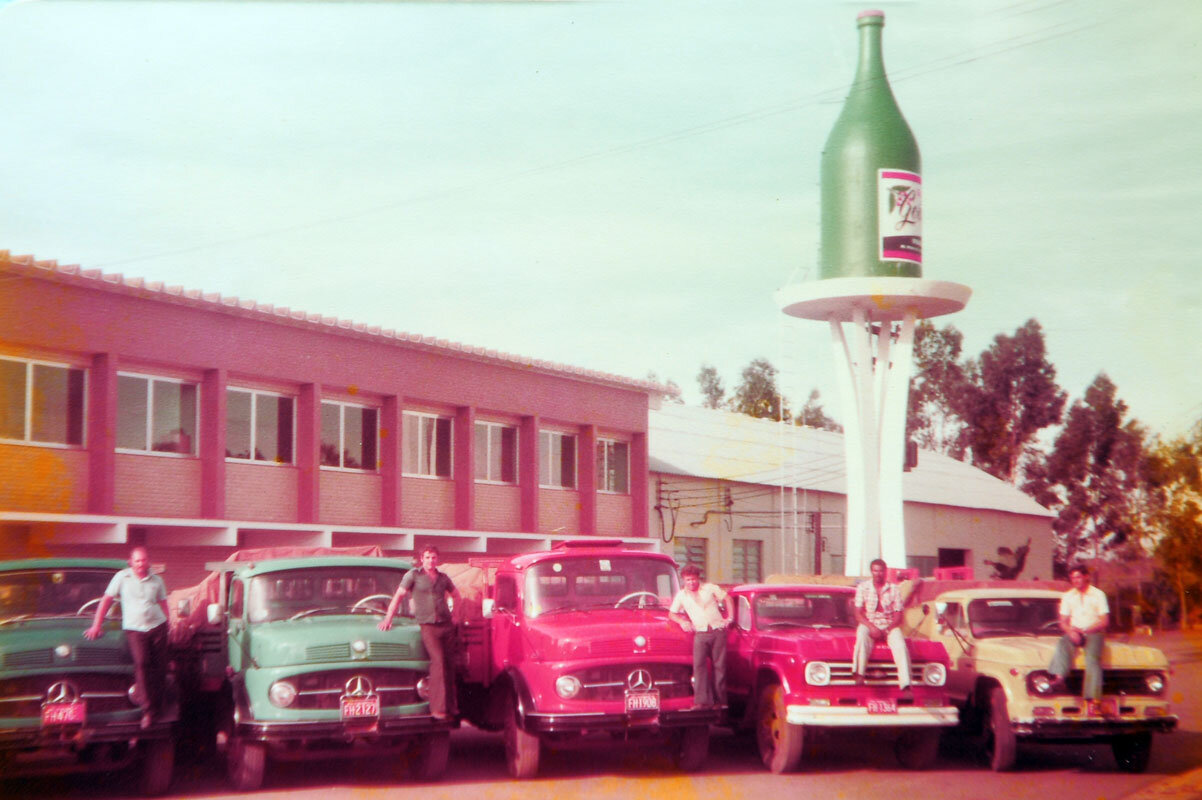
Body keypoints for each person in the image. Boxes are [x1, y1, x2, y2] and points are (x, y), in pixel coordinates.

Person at [84, 546, 170, 729]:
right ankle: (147, 711)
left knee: (159, 668)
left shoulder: (157, 580)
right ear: (131, 562)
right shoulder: (122, 577)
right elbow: (106, 600)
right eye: (138, 561)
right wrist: (96, 625)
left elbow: (164, 604)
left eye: (144, 560)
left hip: (158, 627)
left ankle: (159, 707)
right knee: (142, 664)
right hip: (135, 629)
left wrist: (170, 624)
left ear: (148, 562)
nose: (141, 564)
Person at [378, 545, 461, 720]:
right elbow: (398, 596)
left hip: (446, 625)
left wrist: (456, 615)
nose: (431, 560)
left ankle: (451, 707)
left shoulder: (443, 578)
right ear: (421, 559)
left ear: (438, 559)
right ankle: (438, 708)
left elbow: (456, 595)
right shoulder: (413, 576)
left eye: (434, 557)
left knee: (449, 665)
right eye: (428, 557)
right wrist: (388, 618)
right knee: (437, 662)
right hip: (428, 626)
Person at [1048, 564, 1110, 715]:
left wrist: (1088, 630)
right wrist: (1071, 631)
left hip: (1094, 632)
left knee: (1092, 660)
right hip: (1075, 631)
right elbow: (1063, 621)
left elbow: (1104, 621)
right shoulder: (1068, 596)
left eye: (1078, 577)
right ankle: (1060, 678)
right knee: (1063, 642)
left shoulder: (1098, 595)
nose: (1075, 581)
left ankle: (1093, 699)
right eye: (1072, 578)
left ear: (1086, 576)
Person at [668, 565, 732, 709]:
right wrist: (682, 621)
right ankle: (702, 702)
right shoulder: (681, 595)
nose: (691, 582)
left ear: (698, 578)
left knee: (719, 667)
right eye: (688, 580)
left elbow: (727, 598)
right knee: (699, 667)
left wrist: (730, 618)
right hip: (700, 633)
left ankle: (720, 703)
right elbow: (672, 613)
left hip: (717, 631)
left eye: (693, 579)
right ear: (684, 580)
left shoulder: (709, 588)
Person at [852, 558, 912, 692]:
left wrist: (888, 629)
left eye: (880, 571)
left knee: (900, 645)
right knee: (861, 635)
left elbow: (898, 614)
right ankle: (859, 673)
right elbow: (858, 613)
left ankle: (905, 682)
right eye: (875, 571)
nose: (878, 574)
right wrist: (871, 627)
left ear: (885, 572)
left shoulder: (894, 589)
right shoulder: (863, 588)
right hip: (869, 622)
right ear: (871, 572)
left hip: (889, 623)